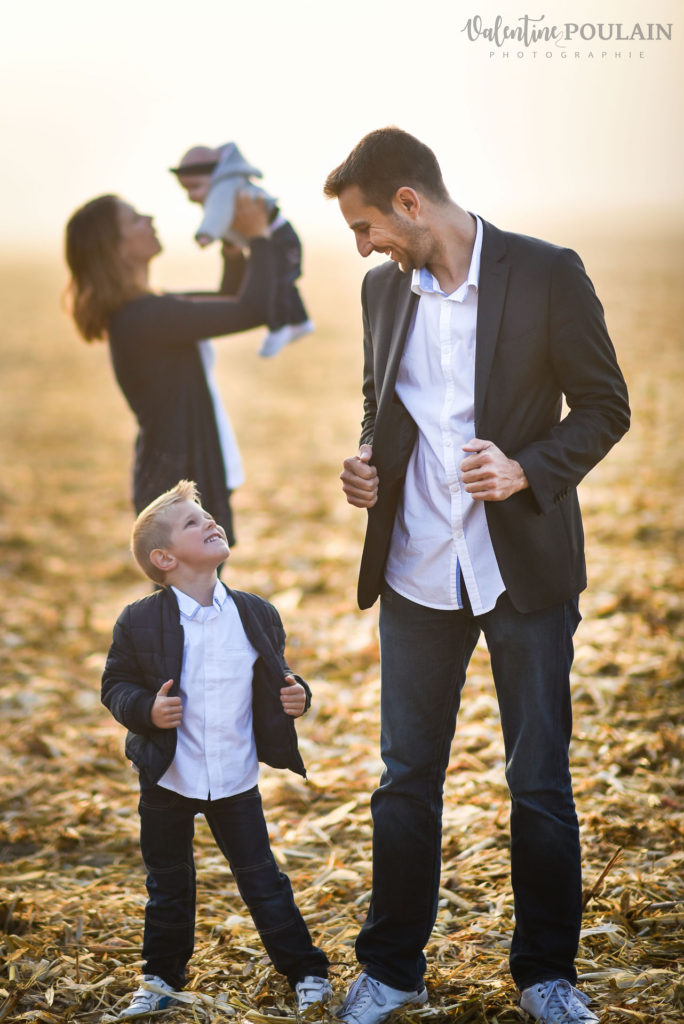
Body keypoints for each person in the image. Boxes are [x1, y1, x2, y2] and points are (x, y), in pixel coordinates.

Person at [323, 128, 630, 1024]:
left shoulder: (546, 273)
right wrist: (365, 465)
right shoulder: (384, 292)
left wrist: (529, 465)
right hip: (417, 570)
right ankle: (392, 968)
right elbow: (383, 403)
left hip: (522, 571)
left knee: (538, 781)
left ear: (411, 204)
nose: (364, 247)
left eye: (367, 225)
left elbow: (607, 406)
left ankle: (546, 974)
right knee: (403, 778)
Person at [101, 479, 332, 1019]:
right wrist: (147, 711)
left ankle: (306, 971)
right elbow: (116, 685)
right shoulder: (138, 620)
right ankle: (160, 977)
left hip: (234, 776)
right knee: (168, 884)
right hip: (167, 776)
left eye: (206, 515)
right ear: (163, 558)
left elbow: (277, 679)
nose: (209, 522)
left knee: (262, 880)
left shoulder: (256, 613)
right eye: (191, 522)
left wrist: (298, 697)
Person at [64, 192, 274, 547]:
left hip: (179, 472)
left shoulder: (149, 310)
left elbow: (231, 298)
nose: (150, 218)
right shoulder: (144, 318)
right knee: (185, 597)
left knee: (191, 595)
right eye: (134, 219)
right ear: (115, 248)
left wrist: (233, 247)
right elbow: (252, 309)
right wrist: (258, 236)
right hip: (175, 481)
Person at [171, 142, 314, 358]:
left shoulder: (223, 188)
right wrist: (232, 245)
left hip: (279, 239)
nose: (191, 196)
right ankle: (300, 322)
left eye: (195, 187)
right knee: (285, 280)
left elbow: (216, 217)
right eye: (187, 189)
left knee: (279, 282)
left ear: (214, 176)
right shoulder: (226, 187)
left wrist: (206, 234)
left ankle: (279, 327)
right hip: (275, 238)